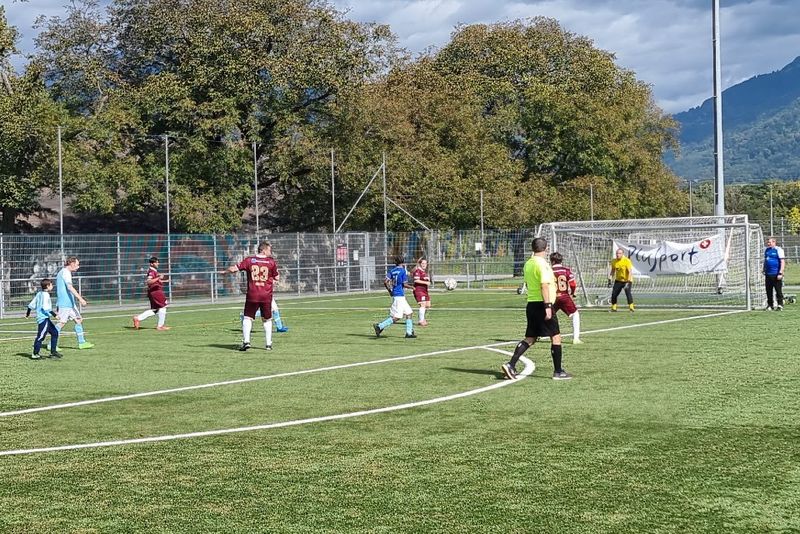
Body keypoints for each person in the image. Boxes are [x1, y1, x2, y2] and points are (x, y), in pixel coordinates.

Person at [501, 237, 571, 380]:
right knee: (556, 336)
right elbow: (544, 285)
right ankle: (558, 371)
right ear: (546, 249)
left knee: (531, 338)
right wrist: (548, 306)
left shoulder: (528, 263)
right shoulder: (543, 265)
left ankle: (511, 364)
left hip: (532, 304)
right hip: (542, 304)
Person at [223, 241, 280, 351]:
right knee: (267, 319)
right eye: (269, 250)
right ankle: (268, 344)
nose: (270, 252)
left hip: (252, 294)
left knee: (247, 317)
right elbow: (277, 278)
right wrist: (269, 280)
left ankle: (246, 341)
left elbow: (234, 268)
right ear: (263, 250)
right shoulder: (271, 262)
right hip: (266, 295)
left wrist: (226, 271)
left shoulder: (249, 260)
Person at [55, 257, 94, 349]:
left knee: (78, 320)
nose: (78, 267)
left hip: (70, 303)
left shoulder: (65, 272)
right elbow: (70, 287)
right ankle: (51, 344)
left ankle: (82, 343)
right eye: (77, 265)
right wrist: (80, 299)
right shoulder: (65, 272)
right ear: (71, 264)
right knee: (61, 323)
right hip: (65, 303)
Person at [373, 255, 416, 338]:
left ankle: (409, 333)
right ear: (403, 262)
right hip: (399, 296)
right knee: (397, 317)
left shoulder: (392, 271)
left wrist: (390, 291)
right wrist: (412, 287)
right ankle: (380, 326)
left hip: (398, 295)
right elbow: (404, 284)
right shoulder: (403, 271)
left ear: (395, 262)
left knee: (409, 313)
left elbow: (385, 282)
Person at [550, 252, 582, 344]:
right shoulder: (566, 271)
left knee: (546, 316)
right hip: (564, 296)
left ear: (552, 261)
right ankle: (576, 338)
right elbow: (573, 284)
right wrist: (572, 292)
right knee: (575, 314)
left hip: (553, 297)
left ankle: (538, 334)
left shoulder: (549, 270)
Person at [26, 278, 61, 360]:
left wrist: (27, 314)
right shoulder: (45, 295)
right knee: (40, 336)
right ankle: (35, 354)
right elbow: (46, 308)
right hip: (43, 319)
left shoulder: (39, 293)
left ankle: (53, 352)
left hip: (46, 319)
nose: (52, 286)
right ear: (48, 286)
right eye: (51, 285)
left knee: (55, 333)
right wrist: (55, 315)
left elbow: (31, 305)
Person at [133, 257, 170, 330]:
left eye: (158, 262)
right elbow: (149, 282)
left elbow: (155, 281)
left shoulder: (154, 271)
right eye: (156, 262)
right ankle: (160, 326)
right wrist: (159, 278)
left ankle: (138, 318)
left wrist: (164, 281)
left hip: (155, 292)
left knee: (156, 310)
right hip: (156, 292)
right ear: (151, 264)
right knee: (163, 307)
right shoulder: (151, 272)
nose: (158, 263)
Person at [763, 236, 786, 311]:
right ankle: (770, 305)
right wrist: (764, 269)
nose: (768, 243)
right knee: (768, 290)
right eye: (768, 242)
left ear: (774, 242)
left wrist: (780, 273)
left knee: (778, 290)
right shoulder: (767, 250)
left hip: (776, 273)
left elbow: (782, 262)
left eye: (770, 242)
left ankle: (780, 305)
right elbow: (766, 260)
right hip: (768, 274)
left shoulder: (778, 250)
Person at [412, 257, 432, 326]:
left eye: (425, 263)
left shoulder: (424, 272)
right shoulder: (418, 271)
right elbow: (416, 280)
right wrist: (426, 283)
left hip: (425, 291)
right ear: (420, 264)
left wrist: (427, 280)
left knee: (428, 305)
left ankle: (422, 317)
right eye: (422, 263)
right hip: (419, 290)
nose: (424, 265)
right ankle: (421, 320)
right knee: (423, 304)